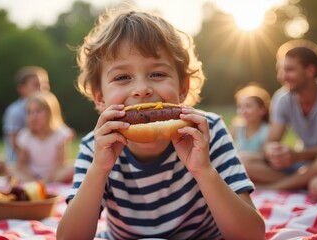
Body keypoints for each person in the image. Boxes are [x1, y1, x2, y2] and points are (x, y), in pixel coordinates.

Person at [57, 8, 265, 240]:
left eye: (157, 74)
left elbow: (252, 235)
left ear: (182, 88)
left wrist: (203, 170)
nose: (142, 89)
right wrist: (99, 169)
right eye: (122, 77)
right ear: (100, 98)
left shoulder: (209, 131)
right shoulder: (94, 146)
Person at [258, 47, 317, 202]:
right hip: (306, 164)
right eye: (281, 70)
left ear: (310, 71)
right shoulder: (282, 98)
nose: (282, 76)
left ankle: (276, 187)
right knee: (245, 159)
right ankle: (301, 182)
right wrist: (273, 151)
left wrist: (298, 156)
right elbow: (270, 142)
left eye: (289, 70)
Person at [14, 91, 74, 183]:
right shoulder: (25, 135)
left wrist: (46, 180)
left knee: (75, 167)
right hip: (32, 173)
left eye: (38, 111)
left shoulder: (61, 134)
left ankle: (45, 183)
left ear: (50, 113)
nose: (33, 116)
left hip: (54, 174)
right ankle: (32, 184)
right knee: (11, 169)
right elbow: (22, 164)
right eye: (30, 112)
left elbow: (60, 164)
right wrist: (31, 180)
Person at [2, 66, 50, 165]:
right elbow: (15, 143)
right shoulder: (15, 111)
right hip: (20, 161)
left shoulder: (49, 108)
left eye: (45, 84)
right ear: (22, 89)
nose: (42, 89)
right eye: (36, 85)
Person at [230, 83, 270, 177]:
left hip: (260, 169)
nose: (243, 111)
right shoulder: (236, 127)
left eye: (248, 106)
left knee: (243, 161)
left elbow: (266, 157)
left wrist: (244, 156)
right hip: (241, 170)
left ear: (262, 110)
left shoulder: (267, 130)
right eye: (240, 107)